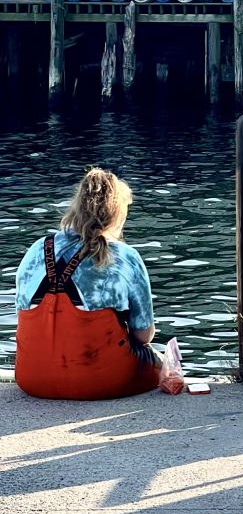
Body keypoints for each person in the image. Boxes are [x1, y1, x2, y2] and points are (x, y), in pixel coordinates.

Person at [15, 167, 161, 400]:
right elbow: (144, 335)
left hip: (33, 379)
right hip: (105, 381)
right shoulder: (125, 256)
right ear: (117, 214)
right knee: (157, 358)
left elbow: (22, 313)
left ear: (75, 206)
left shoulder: (36, 249)